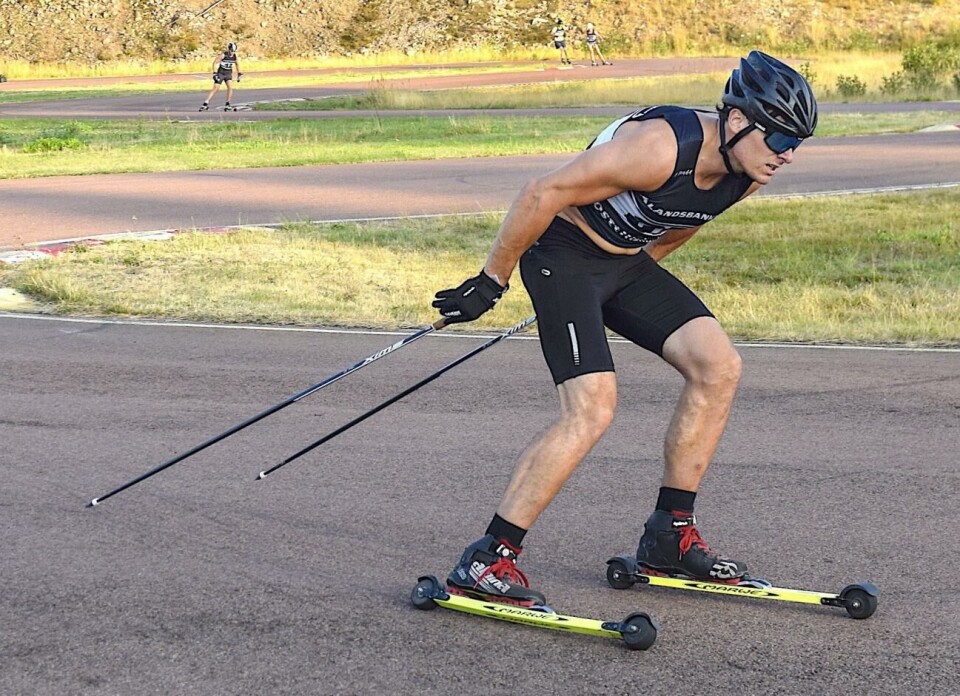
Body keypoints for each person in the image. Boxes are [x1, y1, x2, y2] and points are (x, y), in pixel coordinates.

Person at [432, 51, 817, 607]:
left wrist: (632, 286)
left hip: (624, 264)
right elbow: (543, 192)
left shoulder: (746, 173)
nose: (787, 156)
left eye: (796, 145)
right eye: (780, 140)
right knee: (593, 407)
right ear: (737, 121)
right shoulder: (659, 148)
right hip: (561, 255)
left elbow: (682, 221)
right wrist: (492, 280)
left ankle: (668, 536)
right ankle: (489, 556)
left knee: (719, 366)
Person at [199, 41, 241, 111]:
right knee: (216, 88)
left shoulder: (234, 56)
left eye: (234, 51)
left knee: (230, 88)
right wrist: (215, 73)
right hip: (221, 73)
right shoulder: (223, 55)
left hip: (228, 73)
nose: (232, 52)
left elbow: (237, 64)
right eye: (231, 51)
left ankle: (228, 104)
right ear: (229, 49)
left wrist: (239, 72)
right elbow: (215, 63)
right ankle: (205, 103)